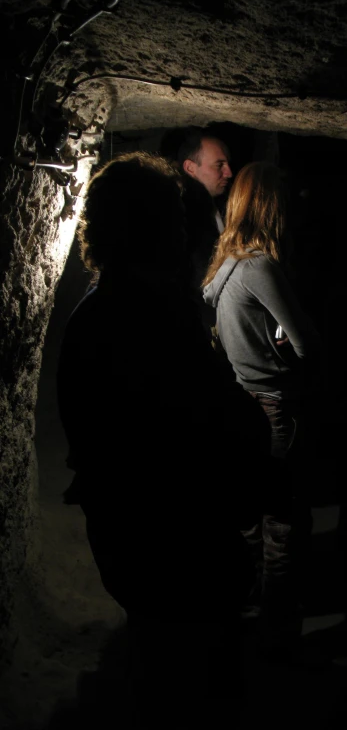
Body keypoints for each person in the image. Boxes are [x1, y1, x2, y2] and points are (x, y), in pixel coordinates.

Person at [56, 151, 272, 727]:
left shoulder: (94, 316)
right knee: (193, 695)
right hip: (181, 554)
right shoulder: (153, 322)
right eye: (177, 223)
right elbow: (206, 432)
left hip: (135, 549)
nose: (189, 238)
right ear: (159, 231)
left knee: (160, 678)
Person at [202, 161, 323, 664]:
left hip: (239, 404)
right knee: (283, 524)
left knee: (250, 521)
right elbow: (309, 345)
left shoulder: (224, 262)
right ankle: (277, 632)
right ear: (273, 206)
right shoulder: (260, 267)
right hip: (273, 406)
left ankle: (244, 619)